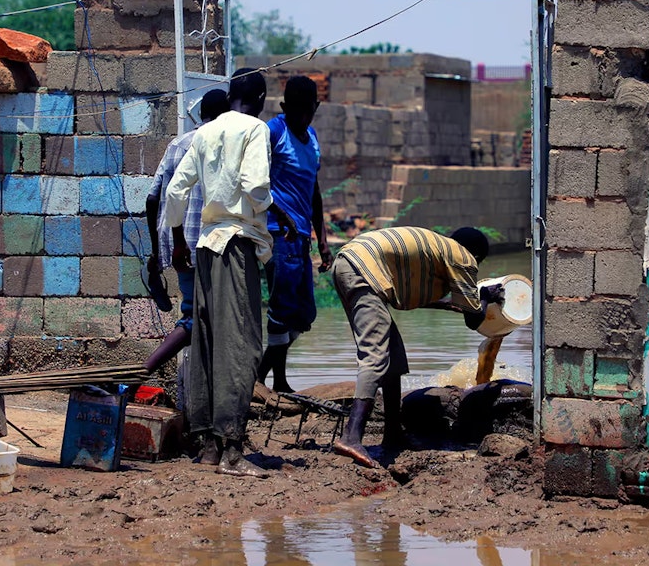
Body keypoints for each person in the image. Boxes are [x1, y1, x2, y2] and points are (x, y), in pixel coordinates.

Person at [165, 68, 297, 478]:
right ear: (258, 97)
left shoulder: (205, 132)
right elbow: (255, 184)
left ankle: (208, 447)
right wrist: (261, 224)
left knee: (207, 344)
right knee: (242, 346)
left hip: (205, 247)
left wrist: (179, 240)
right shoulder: (255, 130)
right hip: (237, 246)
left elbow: (175, 190)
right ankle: (234, 453)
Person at [330, 226, 496, 468]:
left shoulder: (440, 249)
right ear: (477, 255)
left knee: (394, 356)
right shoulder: (464, 257)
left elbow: (409, 297)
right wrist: (484, 296)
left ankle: (393, 433)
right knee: (375, 355)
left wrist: (454, 304)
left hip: (354, 263)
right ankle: (351, 437)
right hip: (363, 271)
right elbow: (474, 320)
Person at [143, 89, 230, 382]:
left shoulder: (178, 143)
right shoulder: (222, 144)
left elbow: (152, 199)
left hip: (177, 243)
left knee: (203, 318)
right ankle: (138, 374)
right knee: (197, 318)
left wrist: (157, 252)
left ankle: (197, 389)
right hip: (206, 242)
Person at [256, 76, 333, 394]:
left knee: (304, 315)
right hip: (278, 233)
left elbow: (314, 191)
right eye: (296, 112)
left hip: (302, 237)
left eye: (308, 112)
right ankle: (275, 380)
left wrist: (323, 239)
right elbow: (256, 180)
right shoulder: (274, 132)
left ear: (315, 108)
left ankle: (260, 375)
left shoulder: (312, 137)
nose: (303, 118)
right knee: (282, 308)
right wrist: (278, 214)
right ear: (285, 108)